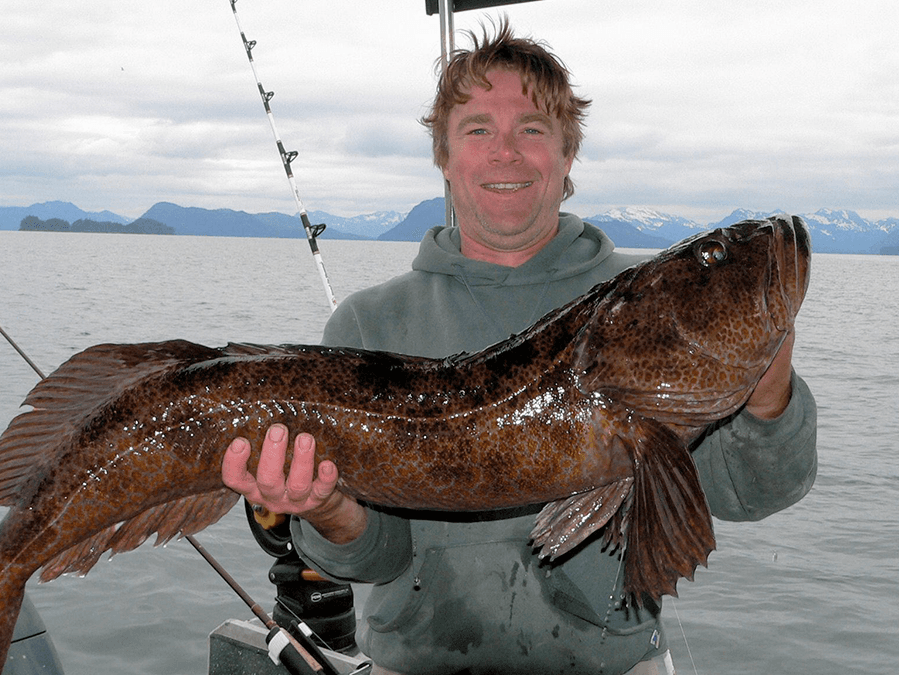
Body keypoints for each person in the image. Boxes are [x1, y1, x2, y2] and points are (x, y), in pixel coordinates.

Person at [222, 21, 817, 675]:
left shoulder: (644, 305)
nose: (505, 152)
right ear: (444, 158)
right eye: (478, 129)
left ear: (567, 157)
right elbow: (374, 556)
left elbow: (751, 493)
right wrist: (329, 508)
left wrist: (768, 392)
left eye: (532, 129)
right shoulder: (365, 324)